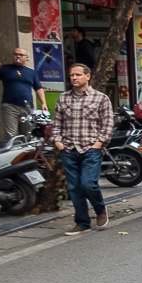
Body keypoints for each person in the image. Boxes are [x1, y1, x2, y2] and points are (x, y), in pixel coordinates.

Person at [51, 64, 112, 235]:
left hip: (90, 148)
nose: (74, 78)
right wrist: (57, 142)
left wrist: (99, 143)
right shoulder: (63, 98)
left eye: (78, 74)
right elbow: (57, 123)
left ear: (88, 76)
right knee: (75, 188)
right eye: (72, 75)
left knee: (88, 183)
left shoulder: (100, 98)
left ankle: (100, 210)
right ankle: (82, 222)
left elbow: (107, 124)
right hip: (68, 149)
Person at [0, 47, 47, 138]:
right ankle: (12, 151)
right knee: (10, 135)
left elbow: (38, 88)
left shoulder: (31, 72)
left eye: (21, 55)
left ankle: (26, 152)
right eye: (16, 54)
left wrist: (43, 103)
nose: (18, 56)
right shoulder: (4, 68)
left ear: (27, 57)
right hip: (10, 106)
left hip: (27, 107)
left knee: (28, 134)